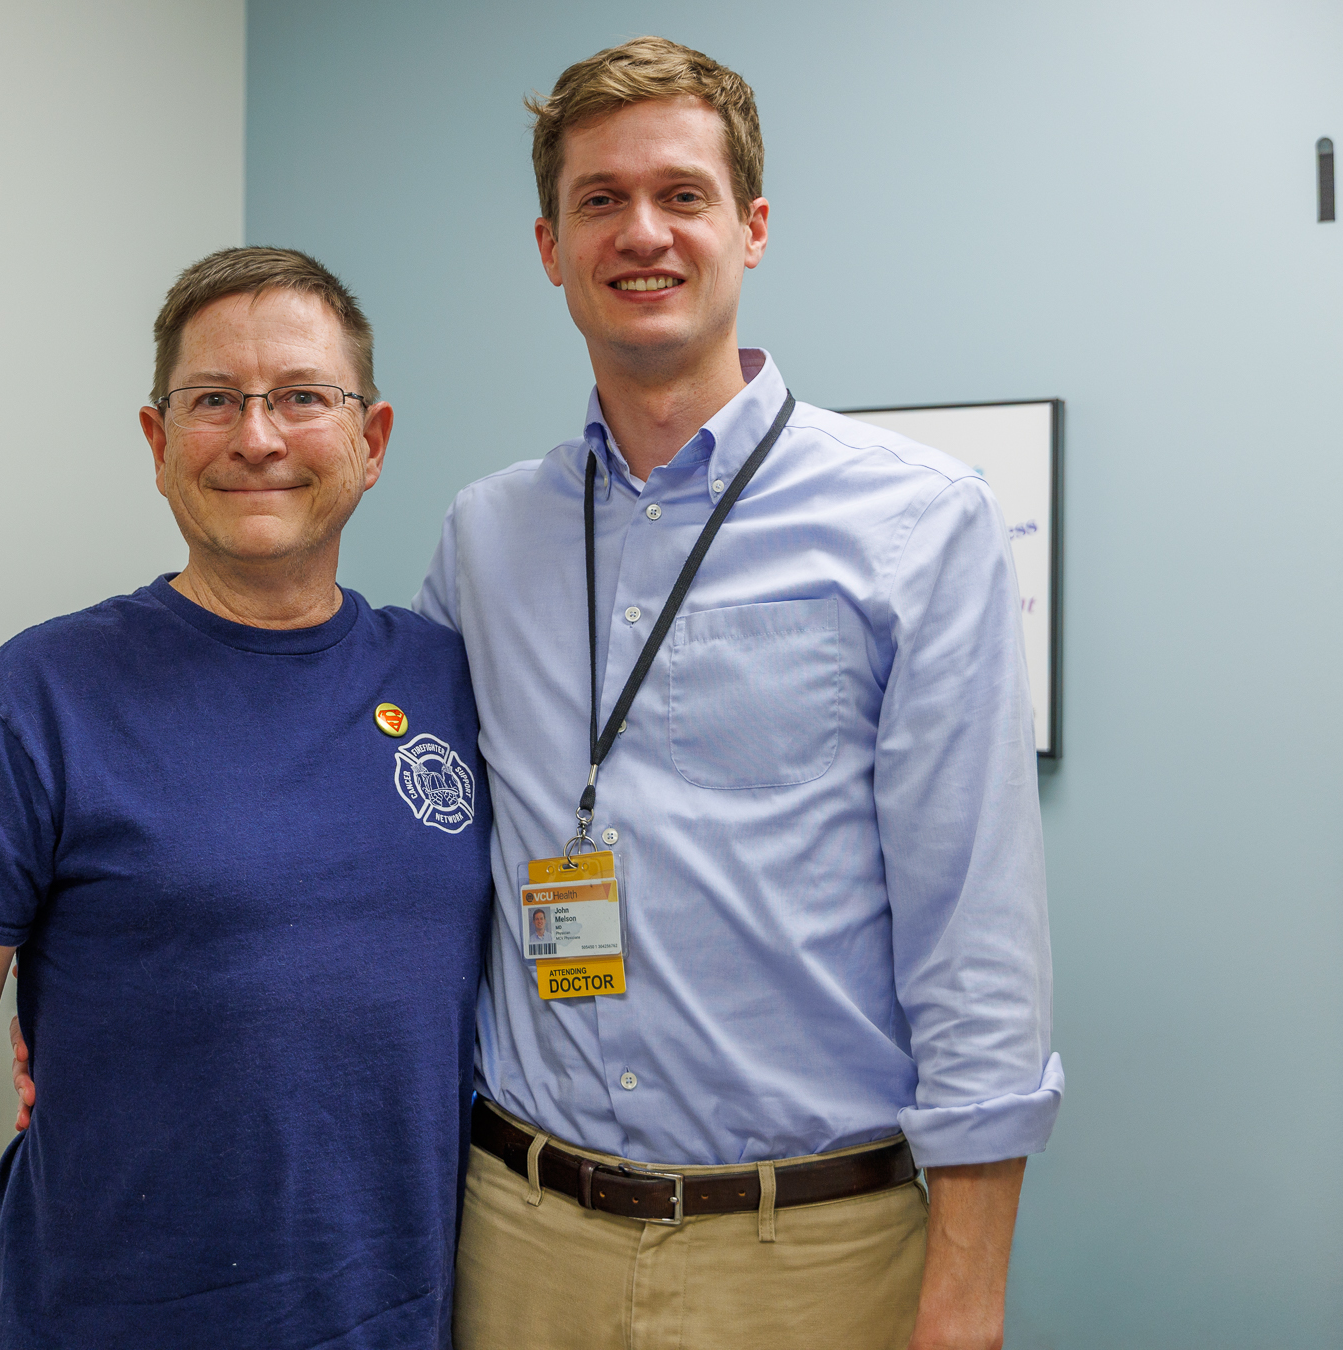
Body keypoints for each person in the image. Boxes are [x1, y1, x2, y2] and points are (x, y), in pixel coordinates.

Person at [412, 38, 1062, 1350]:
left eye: (682, 195)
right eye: (600, 199)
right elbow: (405, 859)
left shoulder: (916, 522)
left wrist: (966, 1299)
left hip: (812, 1252)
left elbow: (974, 932)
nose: (640, 232)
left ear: (750, 227)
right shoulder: (482, 540)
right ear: (549, 244)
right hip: (523, 1239)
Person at [0, 247, 492, 1350]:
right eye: (213, 401)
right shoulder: (40, 698)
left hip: (402, 1320)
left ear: (370, 440)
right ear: (158, 445)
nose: (257, 437)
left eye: (302, 398)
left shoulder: (449, 682)